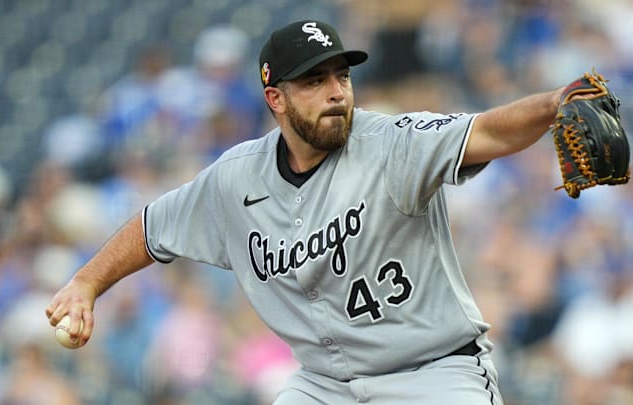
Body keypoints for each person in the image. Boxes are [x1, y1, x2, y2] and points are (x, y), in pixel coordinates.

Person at [46, 20, 586, 404]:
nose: (335, 93)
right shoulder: (236, 179)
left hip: (433, 374)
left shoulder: (392, 142)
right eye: (314, 81)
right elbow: (151, 229)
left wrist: (554, 103)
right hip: (324, 385)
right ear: (275, 98)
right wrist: (86, 283)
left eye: (341, 77)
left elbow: (486, 130)